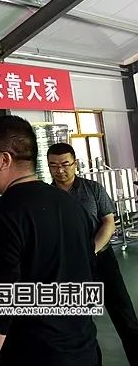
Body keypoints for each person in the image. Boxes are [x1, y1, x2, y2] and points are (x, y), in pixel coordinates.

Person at [0, 115, 98, 366]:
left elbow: (3, 296)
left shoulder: (3, 214)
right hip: (84, 348)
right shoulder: (72, 205)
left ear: (4, 159)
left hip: (36, 354)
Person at [48, 142, 138, 365]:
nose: (60, 170)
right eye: (54, 165)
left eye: (65, 164)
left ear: (75, 164)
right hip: (70, 267)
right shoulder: (46, 196)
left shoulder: (93, 189)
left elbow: (108, 222)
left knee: (125, 316)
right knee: (80, 324)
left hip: (102, 260)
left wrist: (91, 251)